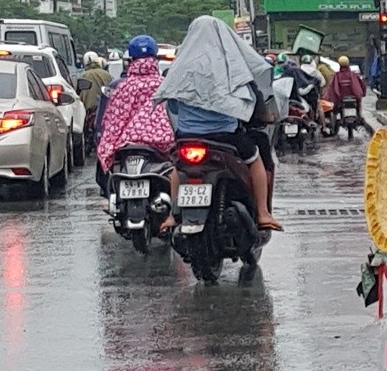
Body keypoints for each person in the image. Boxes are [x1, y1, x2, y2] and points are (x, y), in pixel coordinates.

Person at [155, 16, 282, 231]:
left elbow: (173, 107)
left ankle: (171, 216)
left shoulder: (181, 67)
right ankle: (262, 212)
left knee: (178, 168)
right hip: (224, 136)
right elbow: (251, 99)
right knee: (255, 159)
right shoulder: (230, 64)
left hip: (187, 136)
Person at [95, 35, 174, 194]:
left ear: (131, 59)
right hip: (162, 146)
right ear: (155, 58)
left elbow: (112, 122)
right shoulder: (164, 85)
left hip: (126, 146)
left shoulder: (123, 88)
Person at [326, 56, 372, 133]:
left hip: (340, 99)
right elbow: (360, 85)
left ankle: (332, 129)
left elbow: (332, 87)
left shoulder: (337, 75)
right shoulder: (353, 74)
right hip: (353, 98)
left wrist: (331, 96)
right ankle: (359, 115)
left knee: (334, 112)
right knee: (359, 104)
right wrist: (361, 94)